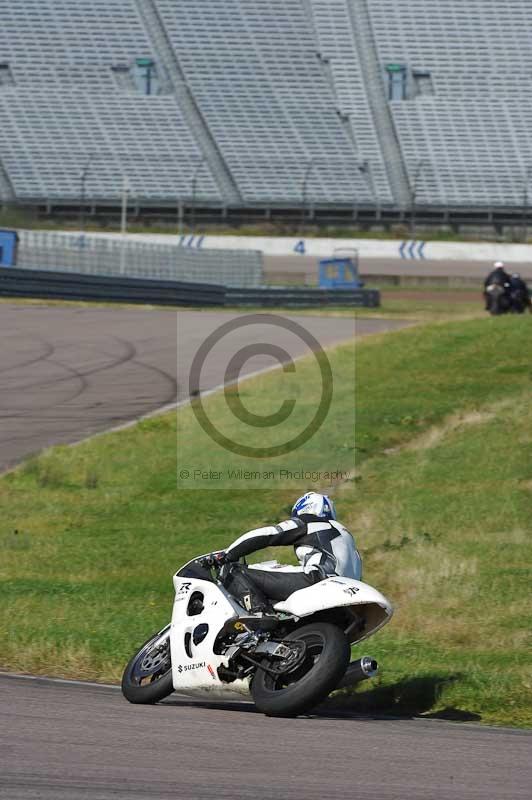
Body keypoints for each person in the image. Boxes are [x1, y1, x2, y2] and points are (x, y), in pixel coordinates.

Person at [209, 492, 362, 614]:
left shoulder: (312, 522)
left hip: (319, 580)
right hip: (348, 599)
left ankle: (259, 614)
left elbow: (268, 534)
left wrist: (227, 555)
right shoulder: (348, 539)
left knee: (233, 571)